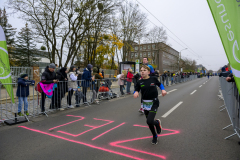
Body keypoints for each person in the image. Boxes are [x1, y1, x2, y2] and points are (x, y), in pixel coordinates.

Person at [133, 65, 167, 145]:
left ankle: (157, 123)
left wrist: (163, 90)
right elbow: (136, 89)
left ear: (148, 72)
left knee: (149, 120)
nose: (142, 72)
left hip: (154, 102)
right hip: (145, 104)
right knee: (149, 122)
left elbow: (160, 84)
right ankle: (154, 136)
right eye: (141, 70)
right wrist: (136, 93)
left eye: (144, 70)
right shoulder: (139, 82)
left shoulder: (153, 79)